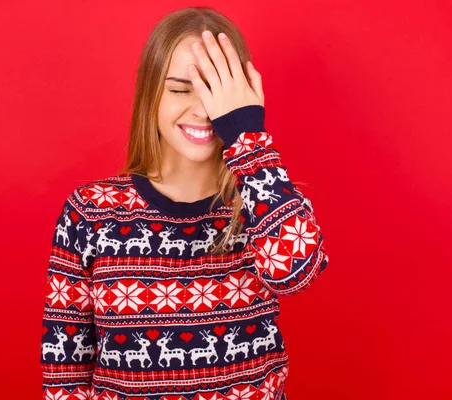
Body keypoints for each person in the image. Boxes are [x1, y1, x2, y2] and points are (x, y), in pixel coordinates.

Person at [40, 6, 329, 400]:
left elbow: (295, 273)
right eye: (180, 89)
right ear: (150, 92)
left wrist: (246, 135)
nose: (202, 110)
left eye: (216, 94)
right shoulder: (90, 212)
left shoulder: (268, 203)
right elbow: (65, 372)